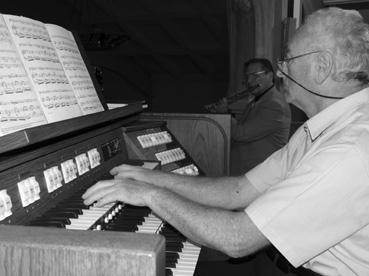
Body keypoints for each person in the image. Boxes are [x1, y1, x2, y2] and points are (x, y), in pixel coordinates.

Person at [83, 7, 369, 276]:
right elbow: (238, 190)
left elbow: (237, 238)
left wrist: (148, 195)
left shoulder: (350, 148)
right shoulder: (320, 128)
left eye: (288, 59)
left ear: (322, 67)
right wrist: (151, 178)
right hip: (271, 260)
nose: (281, 71)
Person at [206, 58, 291, 175]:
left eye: (255, 76)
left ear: (270, 76)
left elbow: (242, 134)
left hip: (259, 174)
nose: (250, 81)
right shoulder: (259, 100)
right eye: (247, 77)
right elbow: (244, 126)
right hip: (248, 171)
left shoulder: (274, 104)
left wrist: (224, 114)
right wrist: (228, 113)